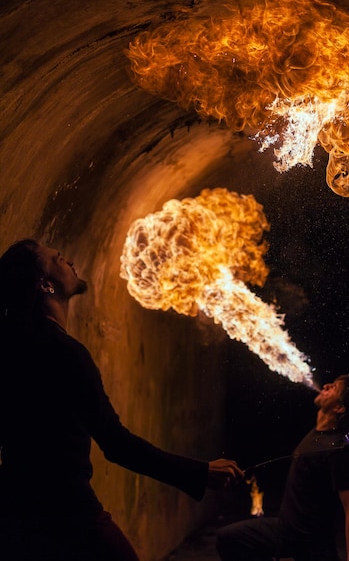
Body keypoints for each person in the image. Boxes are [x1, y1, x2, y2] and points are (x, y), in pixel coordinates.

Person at [0, 239, 244, 561]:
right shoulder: (65, 353)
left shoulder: (15, 347)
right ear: (45, 284)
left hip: (16, 510)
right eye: (58, 258)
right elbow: (116, 444)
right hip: (67, 511)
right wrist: (199, 472)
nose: (68, 260)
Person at [217, 374, 349, 561]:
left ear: (339, 407)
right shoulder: (316, 433)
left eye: (335, 388)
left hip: (312, 544)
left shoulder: (338, 449)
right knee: (229, 539)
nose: (327, 385)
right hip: (285, 530)